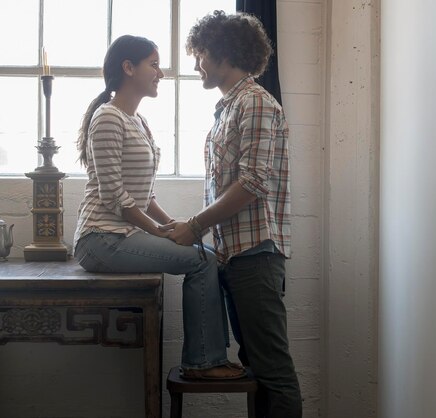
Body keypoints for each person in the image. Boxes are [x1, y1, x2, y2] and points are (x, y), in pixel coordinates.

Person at [73, 34, 245, 380]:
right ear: (128, 68)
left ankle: (210, 358)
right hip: (99, 238)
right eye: (153, 64)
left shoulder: (138, 121)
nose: (161, 73)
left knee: (201, 250)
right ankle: (203, 363)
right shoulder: (107, 118)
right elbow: (115, 197)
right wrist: (161, 232)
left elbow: (144, 195)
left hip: (121, 234)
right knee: (202, 259)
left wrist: (172, 225)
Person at [162, 10, 302, 417]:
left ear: (223, 52)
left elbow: (254, 181)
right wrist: (191, 225)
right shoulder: (228, 108)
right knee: (258, 369)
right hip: (237, 255)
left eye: (200, 53)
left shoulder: (256, 102)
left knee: (272, 372)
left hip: (256, 256)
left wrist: (196, 226)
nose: (195, 64)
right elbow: (231, 187)